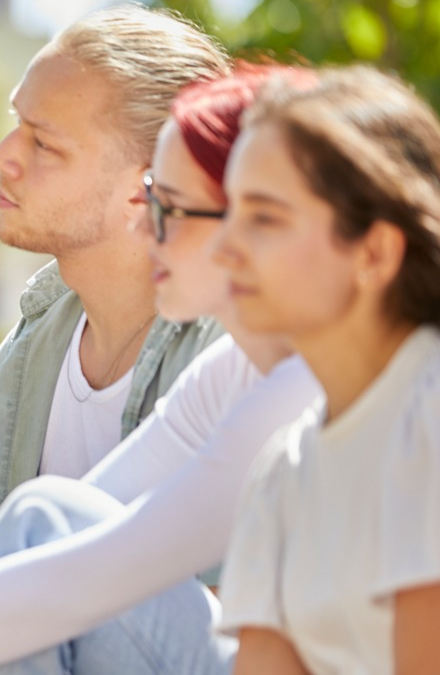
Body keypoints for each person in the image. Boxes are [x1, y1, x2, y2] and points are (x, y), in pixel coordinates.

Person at [0, 64, 324, 675]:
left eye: (166, 206)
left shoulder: (365, 393)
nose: (143, 226)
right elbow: (74, 545)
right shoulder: (234, 372)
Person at [216, 66, 440, 674]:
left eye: (263, 217)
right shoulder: (281, 472)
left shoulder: (429, 417)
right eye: (228, 211)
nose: (223, 247)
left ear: (375, 252)